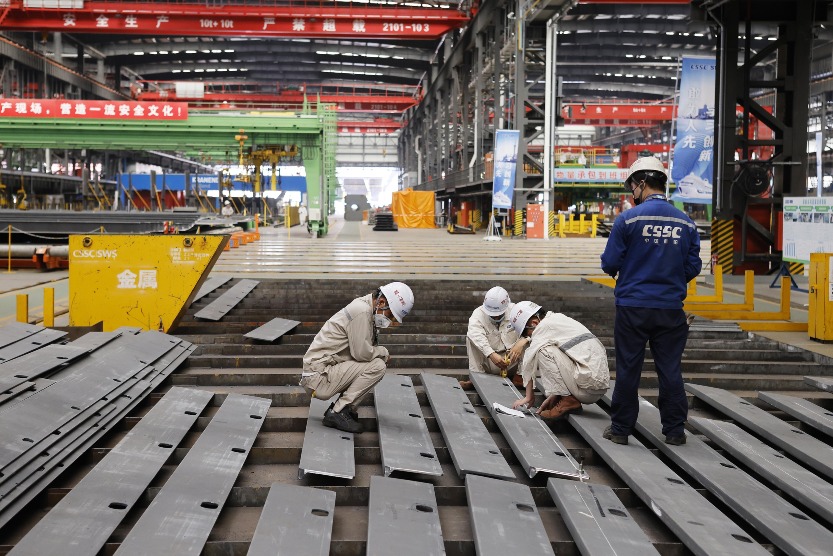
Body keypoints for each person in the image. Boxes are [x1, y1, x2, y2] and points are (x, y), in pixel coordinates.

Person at [600, 156, 702, 446]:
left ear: (642, 183)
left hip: (632, 308)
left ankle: (620, 430)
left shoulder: (627, 220)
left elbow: (609, 262)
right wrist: (670, 277)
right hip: (670, 309)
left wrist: (631, 271)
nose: (632, 192)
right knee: (670, 369)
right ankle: (674, 431)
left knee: (628, 369)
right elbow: (693, 266)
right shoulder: (686, 223)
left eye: (632, 186)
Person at [300, 282, 414, 433]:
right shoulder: (362, 311)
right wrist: (383, 352)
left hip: (321, 373)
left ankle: (344, 410)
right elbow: (361, 354)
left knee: (375, 362)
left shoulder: (366, 311)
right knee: (378, 366)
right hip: (318, 377)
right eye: (391, 314)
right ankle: (338, 412)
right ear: (381, 302)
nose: (390, 321)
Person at [510, 301, 610, 420]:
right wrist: (557, 393)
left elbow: (528, 361)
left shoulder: (542, 328)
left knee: (543, 350)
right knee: (549, 347)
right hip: (596, 385)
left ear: (534, 322)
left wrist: (528, 397)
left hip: (587, 387)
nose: (529, 336)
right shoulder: (557, 319)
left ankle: (568, 400)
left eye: (527, 333)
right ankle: (565, 396)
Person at [460, 286, 528, 390]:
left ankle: (520, 377)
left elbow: (535, 329)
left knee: (529, 341)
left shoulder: (517, 311)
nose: (496, 317)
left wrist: (522, 342)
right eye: (492, 314)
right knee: (471, 339)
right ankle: (477, 378)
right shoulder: (478, 314)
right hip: (490, 362)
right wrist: (491, 354)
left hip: (512, 360)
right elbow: (475, 335)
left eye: (498, 314)